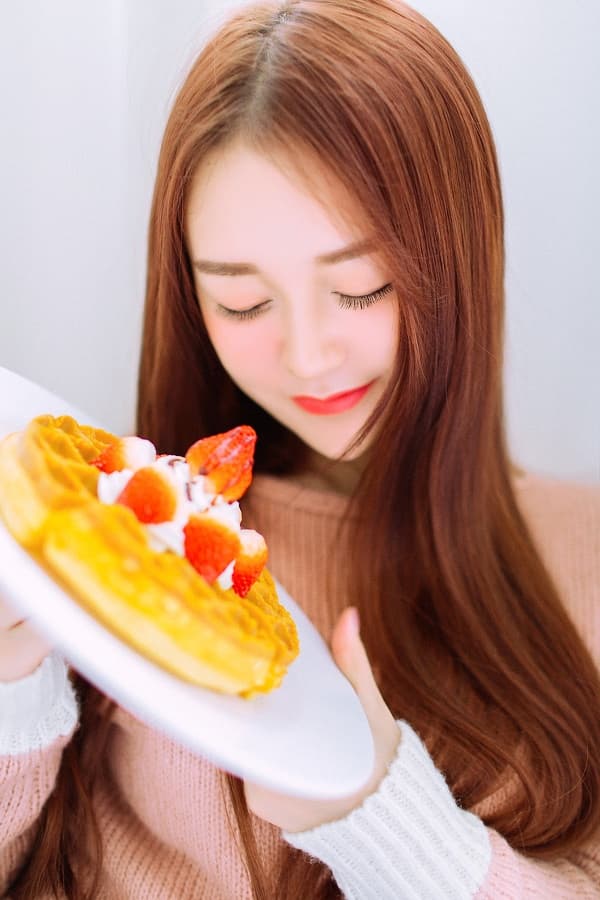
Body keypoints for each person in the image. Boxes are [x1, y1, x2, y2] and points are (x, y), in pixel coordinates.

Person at [1, 0, 599, 897]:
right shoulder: (103, 536)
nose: (308, 355)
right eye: (242, 302)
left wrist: (386, 822)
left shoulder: (584, 556)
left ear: (457, 257)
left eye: (359, 288)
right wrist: (10, 690)